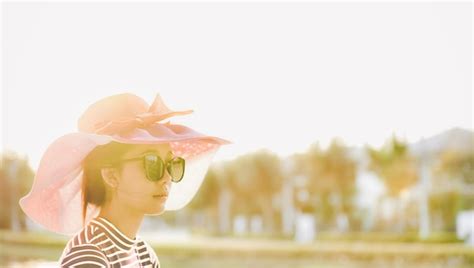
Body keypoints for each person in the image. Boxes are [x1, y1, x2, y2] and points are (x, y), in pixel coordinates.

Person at [19, 93, 231, 267]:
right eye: (152, 162)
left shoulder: (144, 254)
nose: (167, 177)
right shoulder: (89, 257)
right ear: (111, 175)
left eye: (172, 163)